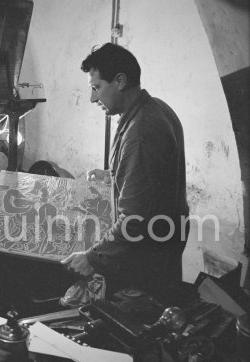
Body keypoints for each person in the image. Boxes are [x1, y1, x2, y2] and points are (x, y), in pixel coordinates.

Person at [61, 43, 189, 299]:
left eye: (96, 88)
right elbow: (155, 179)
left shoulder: (141, 132)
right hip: (164, 244)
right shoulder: (154, 107)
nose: (93, 98)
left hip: (147, 258)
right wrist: (114, 176)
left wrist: (92, 258)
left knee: (134, 325)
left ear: (120, 80)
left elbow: (134, 219)